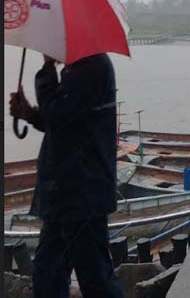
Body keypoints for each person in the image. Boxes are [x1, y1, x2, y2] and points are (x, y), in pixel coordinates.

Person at [9, 53, 123, 298]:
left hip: (83, 194)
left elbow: (56, 114)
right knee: (47, 278)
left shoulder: (92, 67)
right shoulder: (76, 70)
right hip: (63, 193)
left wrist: (47, 68)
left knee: (95, 279)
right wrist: (28, 113)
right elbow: (64, 123)